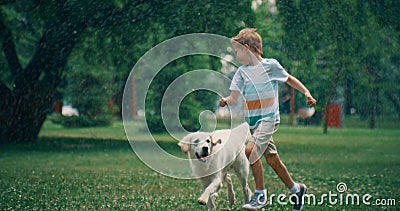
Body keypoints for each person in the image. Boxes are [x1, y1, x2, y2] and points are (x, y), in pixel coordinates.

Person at [219, 28, 316, 211]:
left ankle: (260, 195)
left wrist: (306, 92)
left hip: (269, 119)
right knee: (272, 159)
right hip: (254, 124)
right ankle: (296, 190)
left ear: (247, 48)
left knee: (250, 150)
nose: (236, 56)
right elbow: (234, 97)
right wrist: (226, 101)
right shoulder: (241, 73)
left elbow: (289, 79)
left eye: (237, 51)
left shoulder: (271, 66)